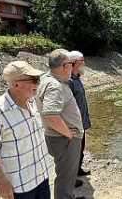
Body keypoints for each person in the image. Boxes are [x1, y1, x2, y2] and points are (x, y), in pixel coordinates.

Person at [0, 61, 51, 199]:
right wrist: (1, 182)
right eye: (34, 80)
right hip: (20, 186)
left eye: (38, 80)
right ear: (16, 84)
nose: (38, 84)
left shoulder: (32, 102)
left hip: (42, 176)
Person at [36, 49, 85, 199]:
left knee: (67, 174)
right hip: (64, 139)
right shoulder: (54, 86)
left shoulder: (46, 78)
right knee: (65, 176)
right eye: (71, 64)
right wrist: (69, 133)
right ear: (65, 66)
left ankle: (68, 195)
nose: (73, 67)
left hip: (59, 137)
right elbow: (50, 115)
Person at [68, 51, 91, 177]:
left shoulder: (77, 78)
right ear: (74, 63)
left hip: (81, 122)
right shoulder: (69, 81)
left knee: (80, 149)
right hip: (74, 124)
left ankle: (78, 170)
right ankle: (71, 177)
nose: (84, 63)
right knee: (73, 151)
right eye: (82, 61)